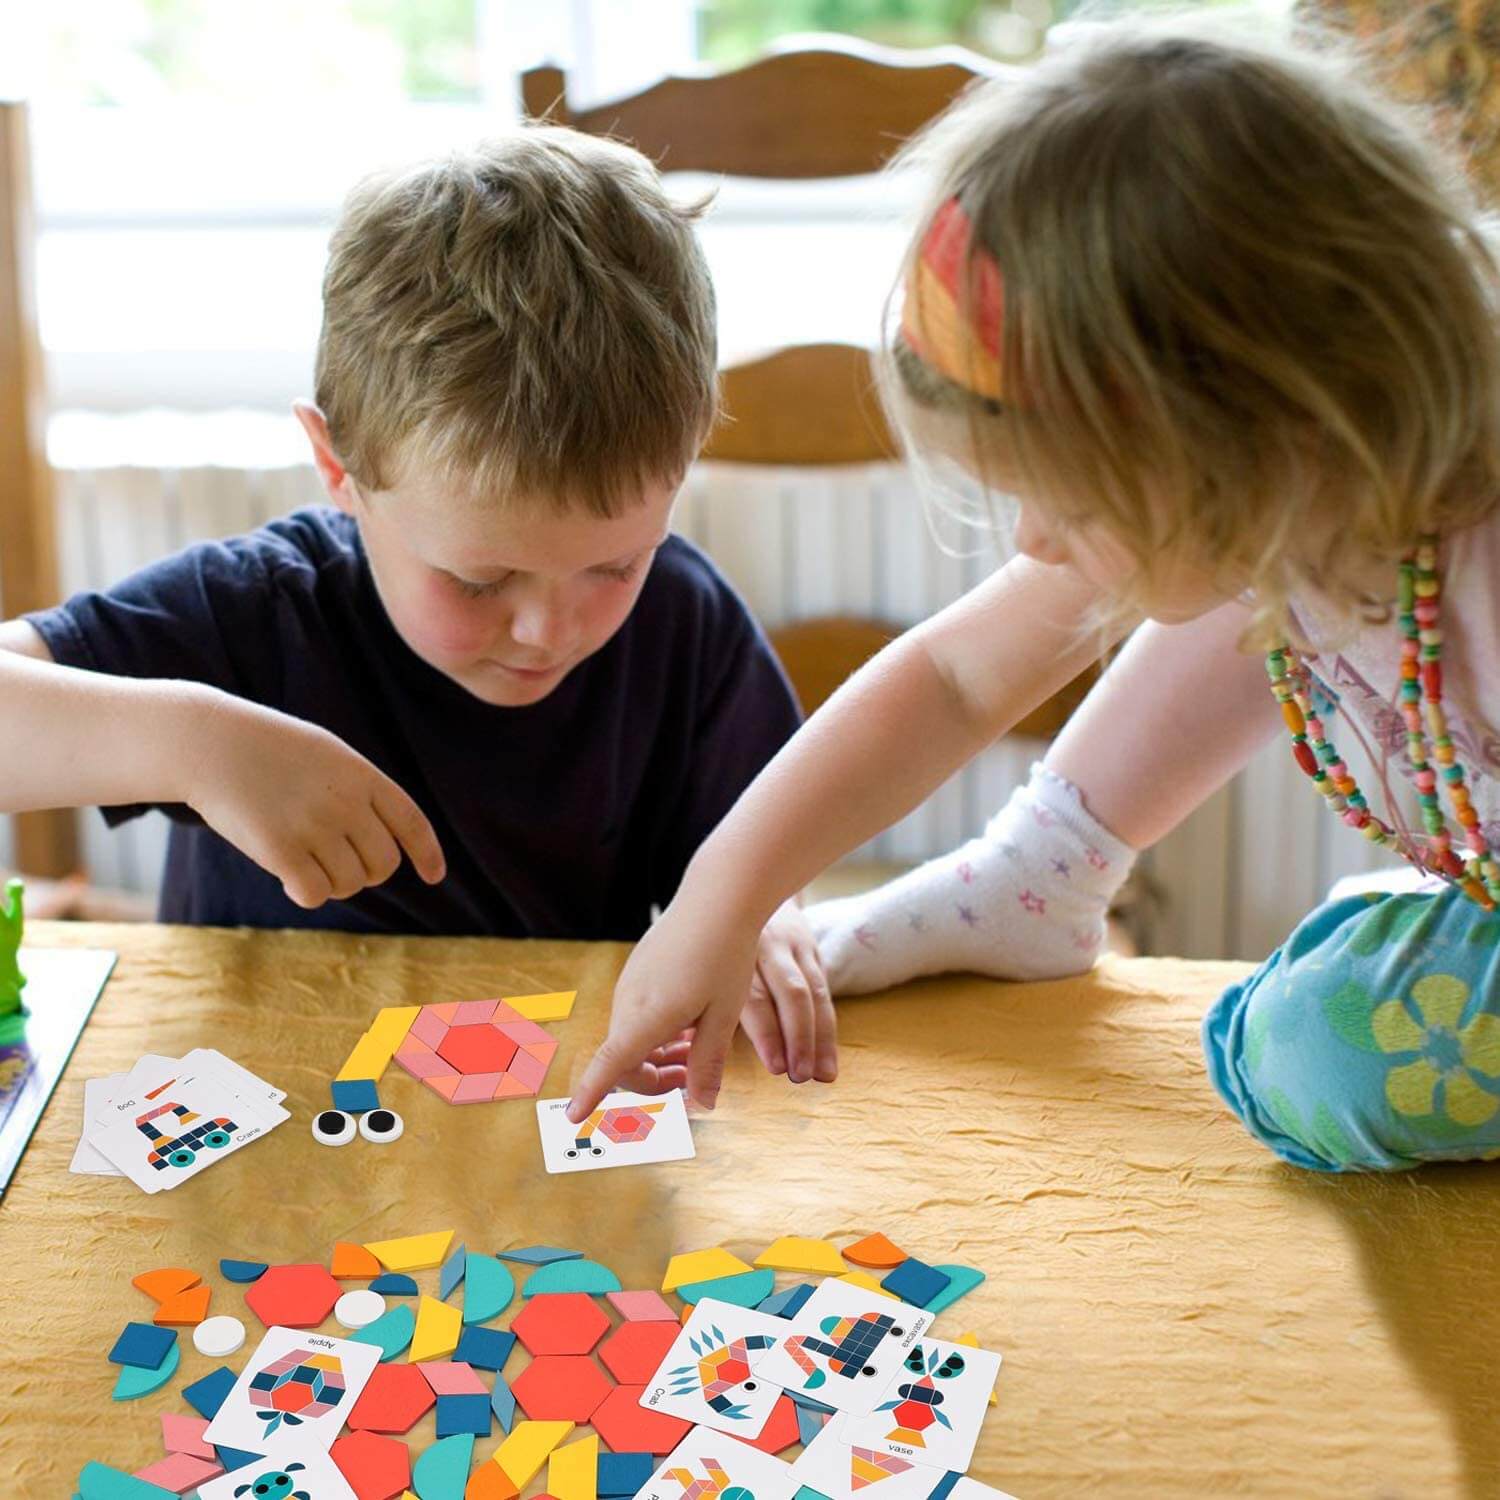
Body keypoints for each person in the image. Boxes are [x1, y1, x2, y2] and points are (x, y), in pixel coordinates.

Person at [569, 14, 1500, 1170]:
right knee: (1249, 571)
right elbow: (957, 679)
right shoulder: (1309, 483)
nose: (1034, 539)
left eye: (1074, 500)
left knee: (1321, 1055)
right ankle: (1039, 869)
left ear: (1279, 432)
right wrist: (724, 899)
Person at [0, 127, 833, 1085]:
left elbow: (761, 852)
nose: (549, 629)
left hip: (539, 1145)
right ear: (337, 469)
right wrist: (190, 743)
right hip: (277, 1132)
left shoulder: (688, 624)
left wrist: (767, 915)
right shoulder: (251, 613)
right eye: (480, 581)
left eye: (614, 566)